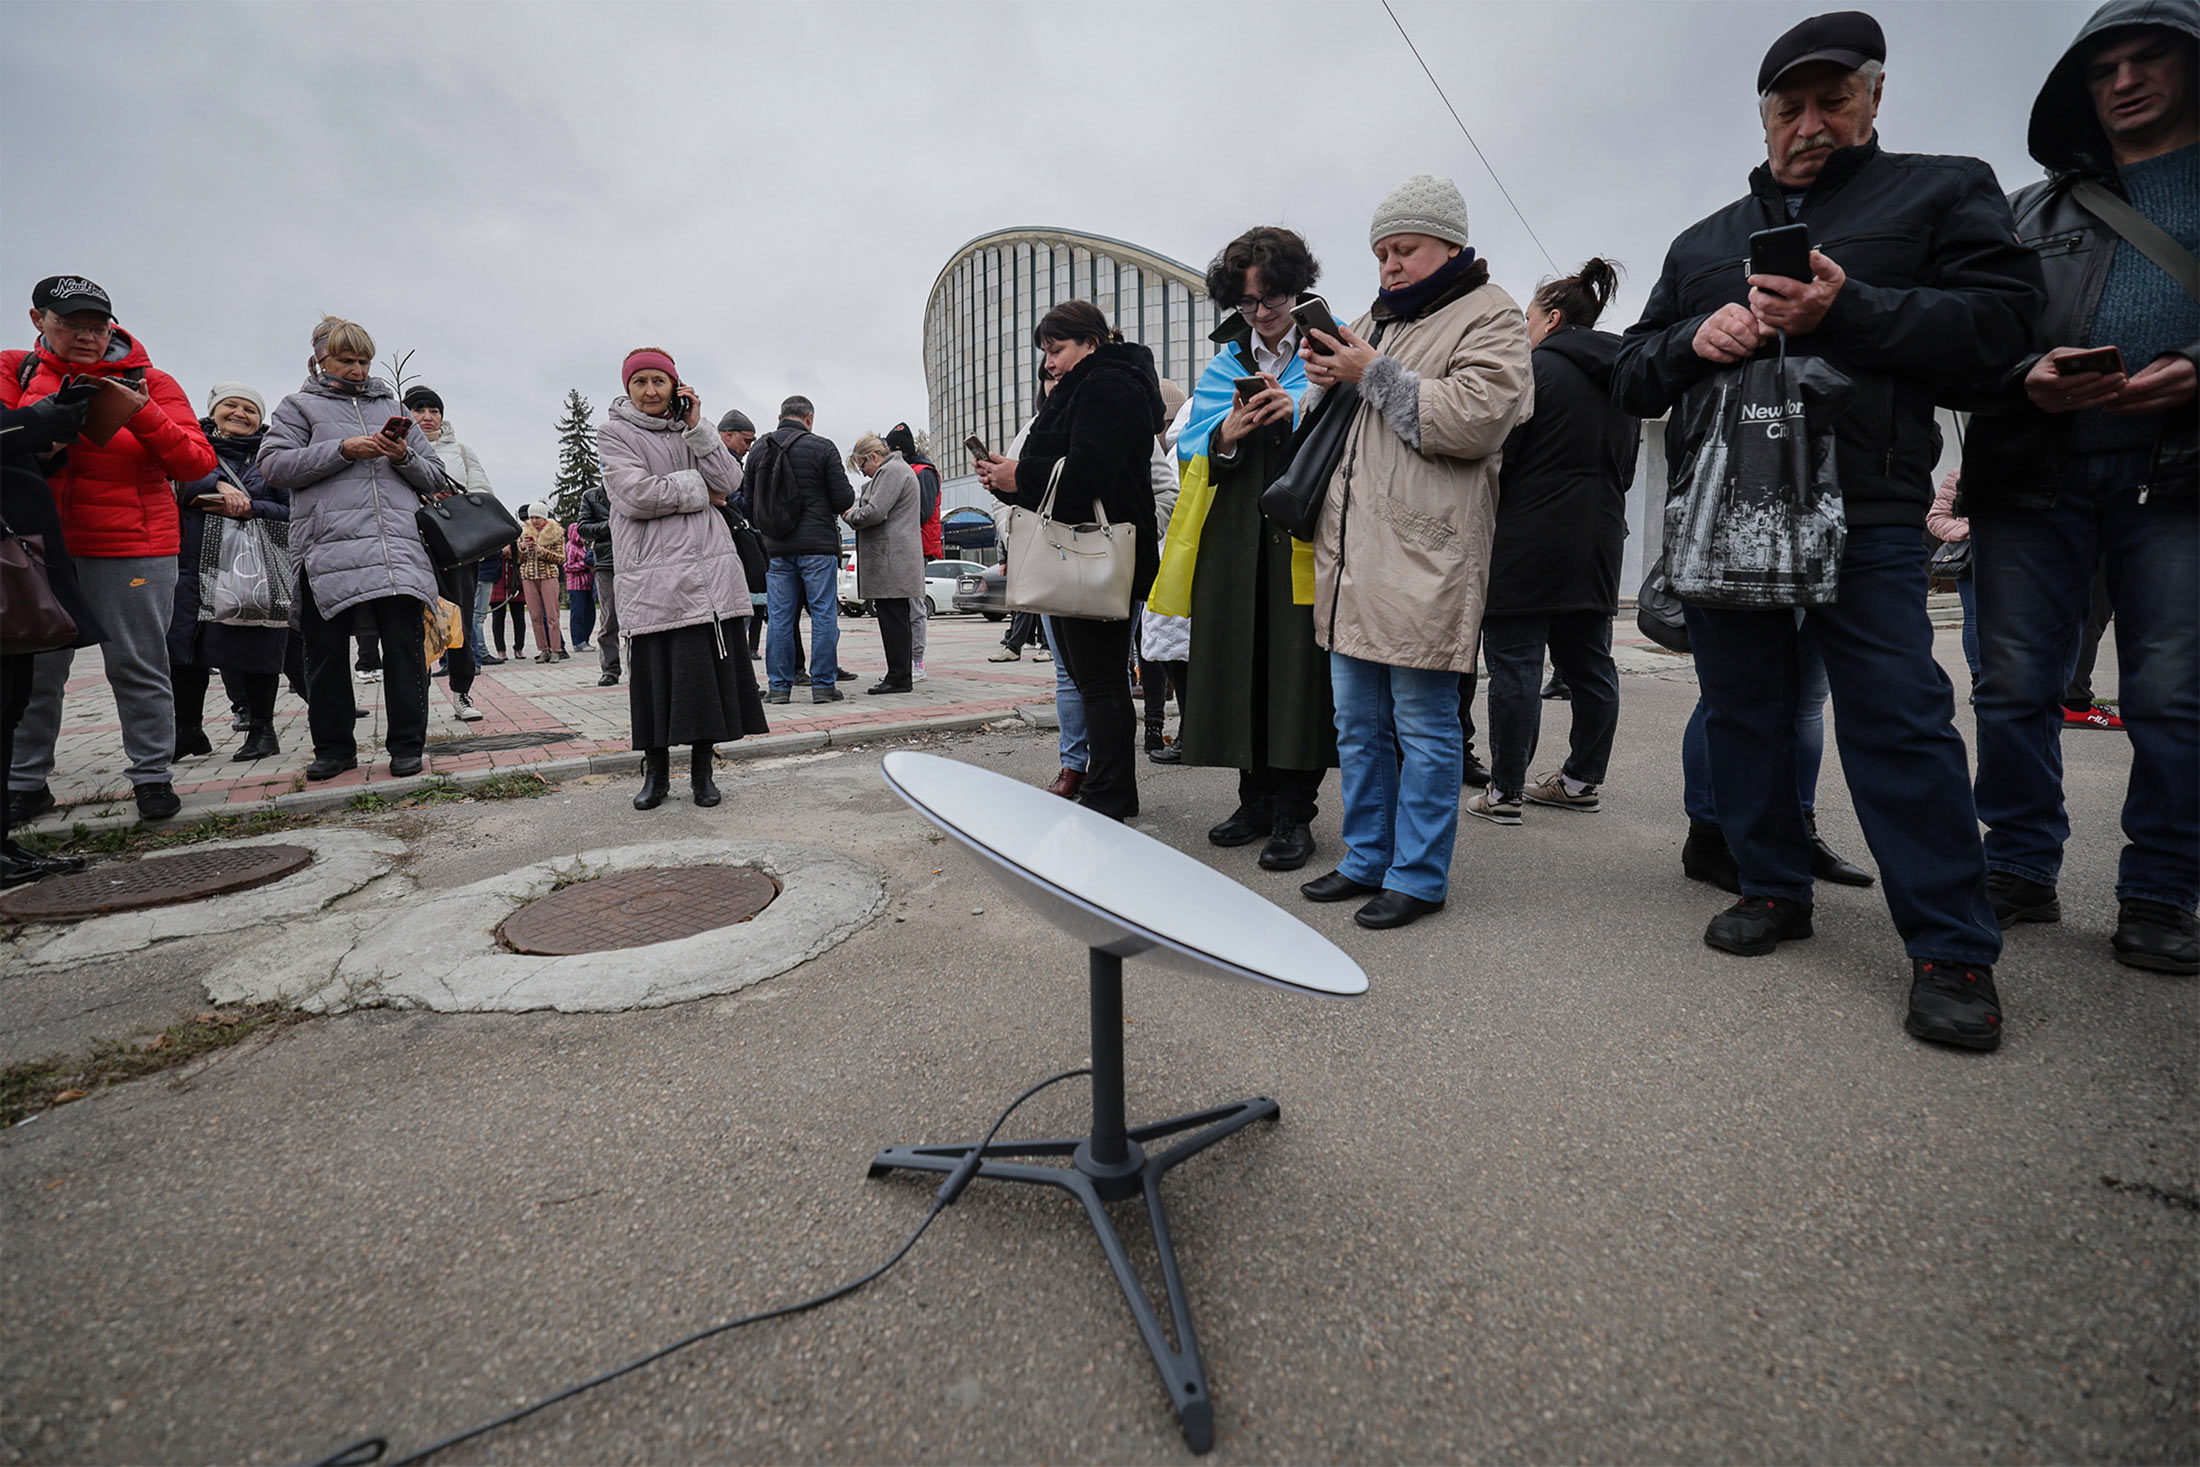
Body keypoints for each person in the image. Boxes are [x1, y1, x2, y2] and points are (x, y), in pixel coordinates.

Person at [1611, 10, 2046, 1050]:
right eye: (1787, 106)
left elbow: (2000, 333)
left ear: (1873, 97)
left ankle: (1950, 946)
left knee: (1895, 717)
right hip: (1730, 515)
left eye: (1830, 100)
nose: (1808, 122)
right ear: (1762, 118)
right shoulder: (1703, 239)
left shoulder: (1941, 188)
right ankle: (1771, 886)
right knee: (1745, 711)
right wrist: (1687, 339)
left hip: (1868, 505)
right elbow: (1628, 373)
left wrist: (1842, 312)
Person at [1960, 0, 2198, 974]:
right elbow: (1972, 337)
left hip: (2179, 474)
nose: (2125, 81)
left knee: (2174, 693)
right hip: (2035, 471)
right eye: (2105, 68)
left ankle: (2160, 888)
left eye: (2149, 60)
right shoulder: (2027, 211)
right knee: (2011, 684)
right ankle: (2017, 863)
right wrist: (2026, 377)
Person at [1290, 176, 1533, 930]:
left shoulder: (1490, 314)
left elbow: (1479, 418)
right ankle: (1367, 856)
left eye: (1405, 250)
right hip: (1353, 556)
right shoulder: (1373, 318)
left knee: (1424, 726)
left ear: (1451, 245)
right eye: (1381, 252)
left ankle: (1419, 873)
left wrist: (1373, 374)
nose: (1390, 265)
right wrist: (1324, 380)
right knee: (1356, 723)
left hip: (1424, 557)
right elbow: (1324, 420)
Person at [1154, 224, 1336, 872]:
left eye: (1274, 299)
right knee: (1237, 664)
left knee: (1294, 672)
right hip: (1234, 537)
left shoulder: (1328, 346)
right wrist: (1227, 433)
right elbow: (1191, 445)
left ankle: (1293, 812)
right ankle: (1252, 799)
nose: (1262, 315)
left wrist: (1300, 415)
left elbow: (1352, 434)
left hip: (1301, 533)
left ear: (1295, 290)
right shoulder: (1226, 360)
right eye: (1250, 302)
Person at [2, 276, 215, 824]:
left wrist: (139, 411)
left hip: (133, 547)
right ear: (38, 321)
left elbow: (196, 463)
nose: (87, 336)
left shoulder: (152, 380)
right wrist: (41, 426)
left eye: (97, 326)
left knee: (138, 665)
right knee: (37, 672)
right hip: (40, 548)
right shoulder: (14, 370)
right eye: (71, 324)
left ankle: (151, 777)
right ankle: (26, 784)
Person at [1464, 258, 1639, 828]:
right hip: (1599, 539)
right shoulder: (1625, 377)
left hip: (1528, 537)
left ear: (1553, 318)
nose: (1522, 328)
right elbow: (1629, 469)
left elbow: (1499, 455)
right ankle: (1581, 780)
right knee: (1590, 665)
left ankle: (1506, 792)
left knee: (1515, 663)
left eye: (1528, 317)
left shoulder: (1532, 368)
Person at [976, 301, 1166, 821]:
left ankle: (1111, 793)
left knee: (1101, 681)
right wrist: (1010, 478)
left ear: (1092, 343)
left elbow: (1089, 472)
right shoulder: (1085, 388)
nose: (1050, 363)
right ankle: (1107, 788)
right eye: (1044, 353)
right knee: (1091, 680)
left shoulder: (1109, 385)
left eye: (1057, 349)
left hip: (1095, 551)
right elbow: (1057, 470)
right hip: (1076, 548)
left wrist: (1022, 477)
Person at [259, 315, 447, 781]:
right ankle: (334, 748)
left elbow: (437, 476)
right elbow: (274, 466)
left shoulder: (392, 404)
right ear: (320, 359)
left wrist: (400, 454)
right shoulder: (297, 407)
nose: (358, 370)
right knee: (324, 653)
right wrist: (344, 449)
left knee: (404, 649)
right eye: (346, 360)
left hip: (396, 548)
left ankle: (407, 745)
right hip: (327, 550)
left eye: (364, 360)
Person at [596, 347, 767, 809]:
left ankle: (702, 772)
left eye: (659, 381)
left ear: (676, 385)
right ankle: (655, 773)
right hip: (652, 576)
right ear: (627, 388)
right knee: (654, 681)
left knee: (701, 682)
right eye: (640, 382)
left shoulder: (692, 430)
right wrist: (697, 490)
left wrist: (697, 428)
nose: (650, 391)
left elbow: (729, 482)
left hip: (708, 575)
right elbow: (634, 496)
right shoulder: (614, 434)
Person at [2, 390, 105, 885]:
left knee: (11, 702)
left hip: (20, 565)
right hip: (10, 567)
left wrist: (47, 443)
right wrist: (30, 423)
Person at [169, 383, 291, 764]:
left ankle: (262, 731)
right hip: (191, 564)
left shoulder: (271, 456)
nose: (240, 413)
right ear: (214, 410)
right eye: (231, 406)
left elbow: (293, 512)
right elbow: (173, 481)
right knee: (186, 651)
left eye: (250, 409)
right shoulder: (190, 446)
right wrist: (214, 484)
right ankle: (188, 730)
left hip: (250, 567)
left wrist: (251, 508)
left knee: (256, 647)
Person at [751, 395, 856, 705]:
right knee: (823, 615)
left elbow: (748, 497)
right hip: (817, 546)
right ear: (809, 418)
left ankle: (779, 688)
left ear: (780, 416)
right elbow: (843, 498)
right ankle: (823, 686)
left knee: (781, 618)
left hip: (777, 547)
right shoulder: (823, 447)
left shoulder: (759, 448)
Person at [403, 386, 488, 720]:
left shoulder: (462, 451)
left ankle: (462, 693)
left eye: (433, 410)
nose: (427, 417)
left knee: (459, 622)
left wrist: (449, 497)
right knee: (414, 624)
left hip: (456, 548)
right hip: (410, 547)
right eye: (418, 410)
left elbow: (482, 492)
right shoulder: (393, 448)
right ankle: (416, 697)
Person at [845, 434, 923, 694]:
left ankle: (898, 677)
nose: (865, 474)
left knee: (894, 621)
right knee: (896, 618)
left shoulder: (891, 471)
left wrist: (850, 515)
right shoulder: (899, 469)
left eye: (862, 466)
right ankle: (899, 674)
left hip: (891, 559)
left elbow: (875, 512)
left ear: (873, 457)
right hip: (895, 558)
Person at [885, 422, 941, 681]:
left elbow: (922, 512)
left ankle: (917, 662)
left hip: (918, 546)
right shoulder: (908, 469)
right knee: (905, 605)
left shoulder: (923, 472)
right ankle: (906, 662)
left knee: (914, 604)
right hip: (906, 544)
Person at [1927, 467, 1980, 688]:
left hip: (2017, 553)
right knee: (1975, 616)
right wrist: (1969, 532)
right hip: (1972, 555)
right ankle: (1980, 680)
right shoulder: (1959, 473)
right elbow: (1936, 518)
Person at [575, 481, 616, 684]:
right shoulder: (591, 496)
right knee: (610, 617)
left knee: (639, 617)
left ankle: (640, 667)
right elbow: (582, 528)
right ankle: (610, 668)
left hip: (638, 558)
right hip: (607, 561)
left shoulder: (632, 487)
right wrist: (606, 525)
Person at [515, 503, 568, 663]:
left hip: (549, 576)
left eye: (537, 517)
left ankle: (556, 650)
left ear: (544, 517)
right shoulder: (524, 532)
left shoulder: (556, 533)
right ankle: (543, 649)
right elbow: (518, 558)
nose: (534, 520)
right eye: (531, 517)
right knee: (535, 615)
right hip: (529, 576)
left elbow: (561, 558)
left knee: (552, 615)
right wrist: (522, 548)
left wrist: (541, 551)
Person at [488, 544, 528, 661]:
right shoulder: (495, 540)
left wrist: (517, 553)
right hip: (497, 585)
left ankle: (519, 648)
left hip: (516, 585)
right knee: (498, 619)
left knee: (519, 619)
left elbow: (525, 557)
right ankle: (501, 650)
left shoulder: (519, 539)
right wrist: (500, 552)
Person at [565, 521, 595, 651]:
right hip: (576, 586)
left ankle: (585, 640)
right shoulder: (571, 547)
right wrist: (584, 564)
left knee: (590, 614)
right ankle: (578, 641)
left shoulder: (582, 547)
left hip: (587, 584)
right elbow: (568, 566)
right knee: (578, 615)